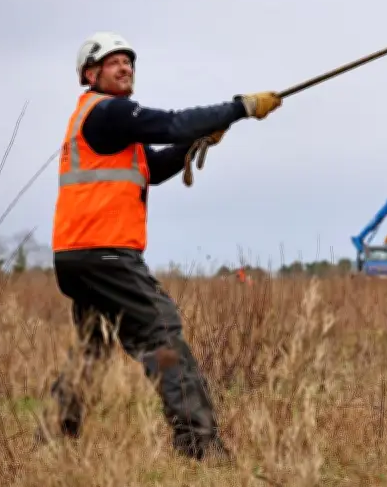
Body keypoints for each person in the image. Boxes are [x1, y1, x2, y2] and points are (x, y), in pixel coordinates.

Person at [40, 31, 282, 461]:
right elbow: (172, 121)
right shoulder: (108, 112)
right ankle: (200, 444)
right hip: (107, 252)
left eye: (129, 62)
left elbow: (154, 166)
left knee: (94, 343)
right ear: (90, 74)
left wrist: (197, 142)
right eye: (114, 62)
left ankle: (55, 434)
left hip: (77, 256)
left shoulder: (107, 128)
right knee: (162, 333)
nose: (125, 67)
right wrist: (239, 108)